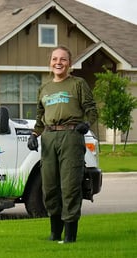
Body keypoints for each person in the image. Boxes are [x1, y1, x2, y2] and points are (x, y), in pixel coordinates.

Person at [27, 45, 98, 243]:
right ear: (50, 63)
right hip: (49, 139)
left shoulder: (78, 84)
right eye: (55, 59)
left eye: (63, 59)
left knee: (70, 186)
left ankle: (70, 235)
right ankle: (54, 233)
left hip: (71, 137)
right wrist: (34, 134)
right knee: (49, 187)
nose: (58, 62)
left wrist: (86, 124)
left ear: (70, 64)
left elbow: (92, 110)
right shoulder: (44, 88)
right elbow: (40, 119)